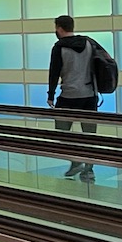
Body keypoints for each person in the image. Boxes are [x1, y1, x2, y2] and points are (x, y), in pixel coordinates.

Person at [46, 14, 108, 183]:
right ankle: (89, 171)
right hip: (90, 95)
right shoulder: (89, 43)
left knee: (62, 131)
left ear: (59, 28)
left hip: (69, 96)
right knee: (89, 135)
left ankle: (75, 160)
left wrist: (50, 95)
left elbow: (54, 72)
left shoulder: (59, 47)